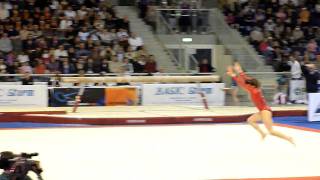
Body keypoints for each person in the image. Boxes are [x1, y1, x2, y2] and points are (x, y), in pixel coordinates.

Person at [226, 62, 295, 145]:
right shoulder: (254, 88)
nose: (247, 84)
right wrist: (239, 71)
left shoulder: (255, 91)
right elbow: (245, 79)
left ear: (252, 85)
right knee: (250, 120)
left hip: (265, 111)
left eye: (248, 83)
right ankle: (262, 133)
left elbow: (243, 83)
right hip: (262, 111)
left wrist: (234, 75)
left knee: (271, 131)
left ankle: (288, 138)